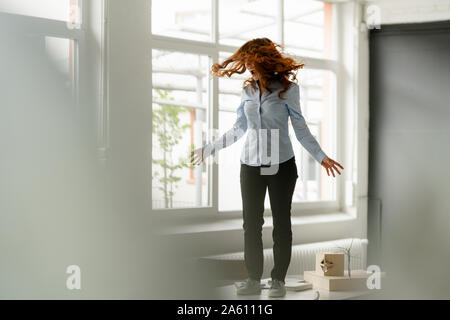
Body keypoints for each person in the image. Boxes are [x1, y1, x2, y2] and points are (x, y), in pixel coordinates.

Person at [190, 38, 343, 298]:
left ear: (264, 60)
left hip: (281, 164)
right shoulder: (247, 91)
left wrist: (320, 156)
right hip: (250, 163)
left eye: (252, 60)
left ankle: (278, 281)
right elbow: (239, 128)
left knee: (282, 224)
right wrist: (210, 148)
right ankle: (252, 279)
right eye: (246, 61)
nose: (248, 65)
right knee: (251, 224)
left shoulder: (288, 89)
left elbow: (301, 128)